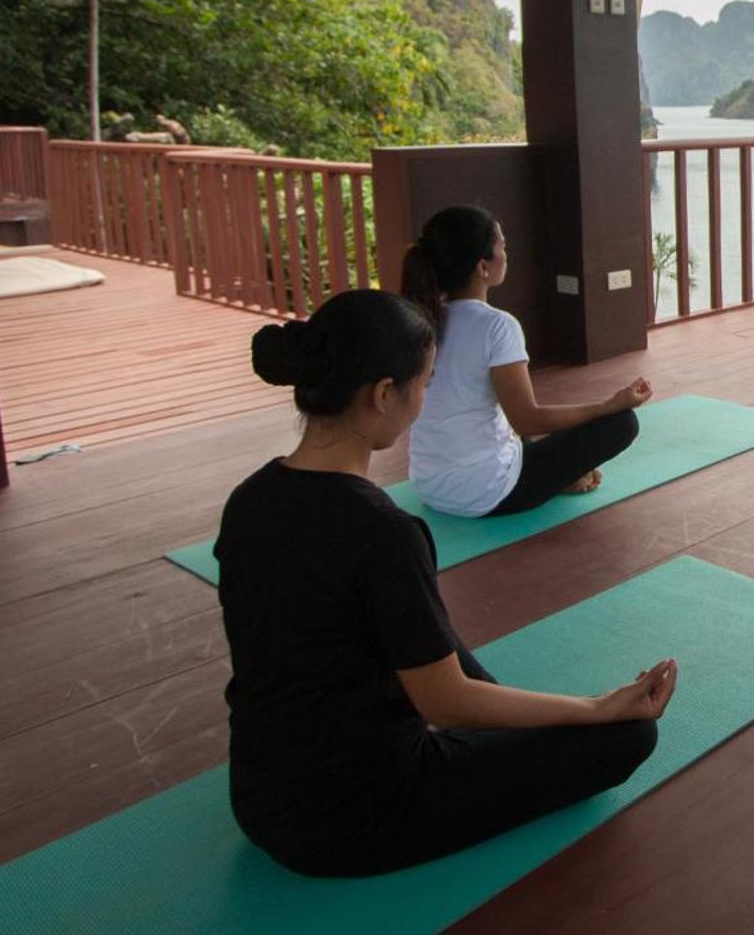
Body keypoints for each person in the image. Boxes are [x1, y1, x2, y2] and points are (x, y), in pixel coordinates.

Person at [217, 289, 678, 876]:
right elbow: (446, 704)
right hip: (353, 818)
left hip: (258, 795)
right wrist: (595, 706)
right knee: (627, 738)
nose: (425, 398)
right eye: (426, 384)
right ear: (383, 394)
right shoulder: (382, 530)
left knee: (424, 628)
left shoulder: (248, 501)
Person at [401, 205, 649, 518]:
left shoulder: (422, 318)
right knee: (622, 423)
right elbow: (527, 420)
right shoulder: (497, 325)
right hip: (489, 493)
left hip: (429, 485)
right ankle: (560, 477)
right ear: (483, 267)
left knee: (511, 424)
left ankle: (560, 476)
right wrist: (608, 406)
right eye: (501, 246)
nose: (507, 252)